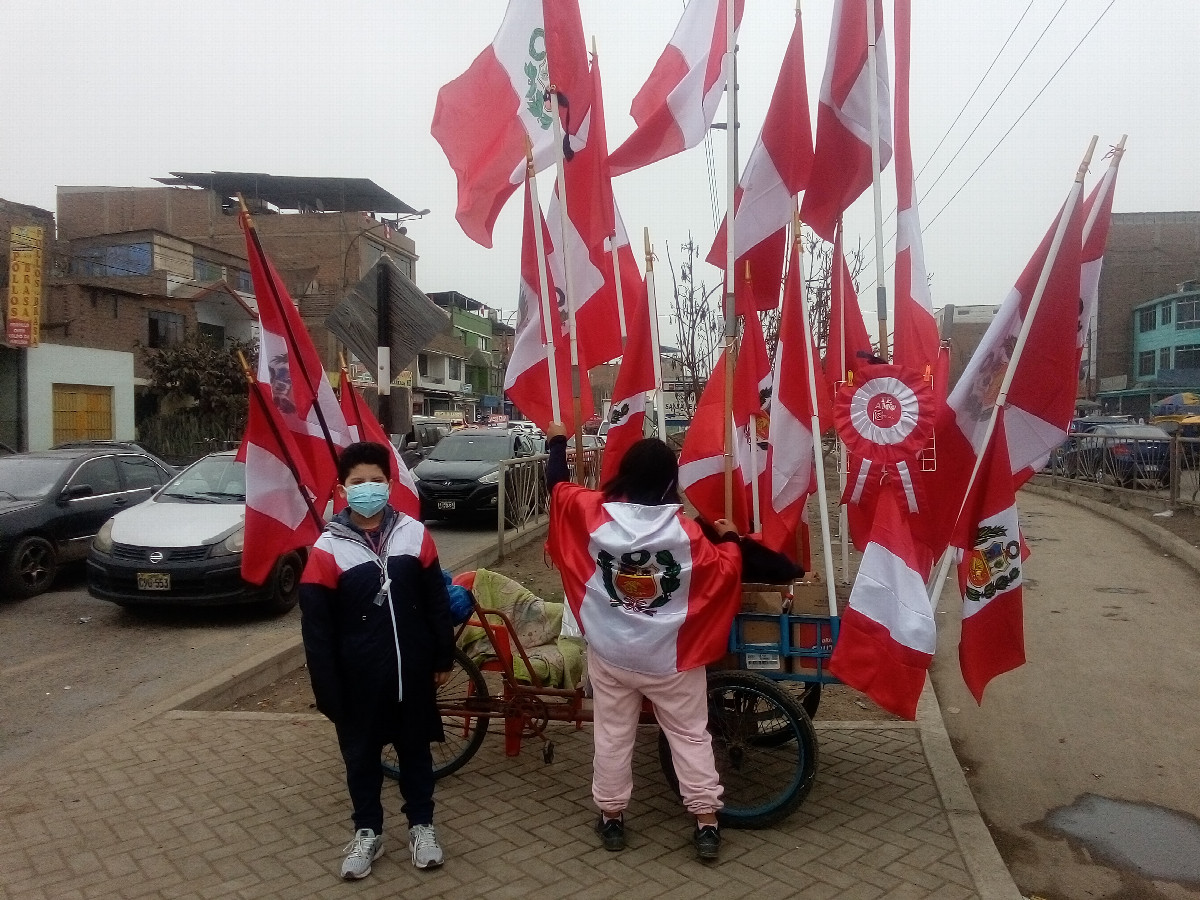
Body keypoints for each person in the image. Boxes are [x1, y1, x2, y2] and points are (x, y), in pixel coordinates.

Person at [543, 424, 801, 860]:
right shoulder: (686, 534)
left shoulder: (593, 512)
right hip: (670, 661)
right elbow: (723, 573)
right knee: (690, 736)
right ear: (670, 481)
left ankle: (611, 817)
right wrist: (734, 538)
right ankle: (705, 823)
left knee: (611, 735)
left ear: (624, 475)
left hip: (611, 654)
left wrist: (556, 442)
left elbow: (556, 486)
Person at [299, 441, 455, 880]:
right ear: (342, 489)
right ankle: (368, 832)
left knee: (416, 755)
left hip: (412, 675)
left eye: (376, 481)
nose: (368, 488)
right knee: (361, 760)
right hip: (357, 681)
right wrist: (327, 690)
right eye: (357, 482)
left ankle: (422, 826)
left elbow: (435, 601)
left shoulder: (414, 533)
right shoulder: (327, 549)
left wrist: (442, 654)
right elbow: (317, 630)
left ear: (389, 484)